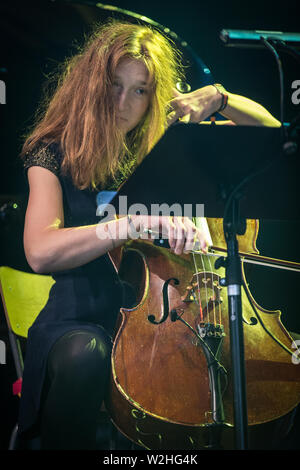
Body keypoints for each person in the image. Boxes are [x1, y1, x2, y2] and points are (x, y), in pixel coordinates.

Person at [18, 19, 280, 450]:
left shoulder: (176, 146)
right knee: (87, 356)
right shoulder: (53, 151)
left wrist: (221, 99)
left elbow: (273, 138)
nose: (124, 102)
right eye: (115, 85)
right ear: (91, 84)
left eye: (140, 90)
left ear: (155, 96)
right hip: (84, 319)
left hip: (174, 321)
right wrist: (131, 223)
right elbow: (40, 252)